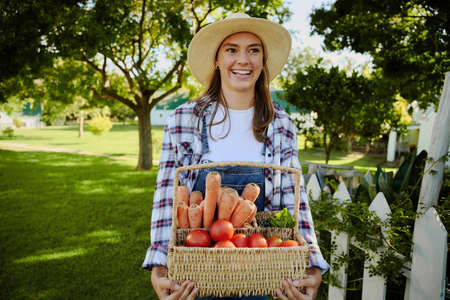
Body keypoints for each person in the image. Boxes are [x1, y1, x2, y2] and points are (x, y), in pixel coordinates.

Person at [143, 13, 330, 300]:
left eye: (253, 50)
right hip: (193, 273)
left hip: (258, 268)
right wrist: (159, 263)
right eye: (232, 49)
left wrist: (311, 262)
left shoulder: (280, 123)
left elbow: (295, 197)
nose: (243, 60)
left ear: (263, 61)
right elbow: (167, 194)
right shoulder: (184, 119)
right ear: (216, 60)